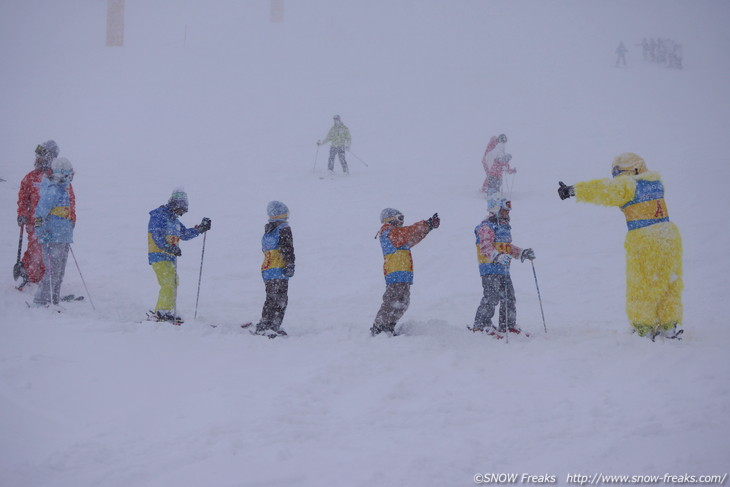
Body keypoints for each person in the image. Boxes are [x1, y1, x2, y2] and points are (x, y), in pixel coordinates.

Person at [558, 152, 683, 340]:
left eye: (619, 172)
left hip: (644, 239)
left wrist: (574, 190)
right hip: (668, 236)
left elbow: (604, 190)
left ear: (634, 169)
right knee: (668, 282)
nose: (617, 177)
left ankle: (643, 328)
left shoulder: (629, 184)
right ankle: (669, 326)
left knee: (641, 285)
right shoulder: (656, 183)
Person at [471, 196, 534, 336]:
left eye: (508, 211)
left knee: (509, 297)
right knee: (491, 297)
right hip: (489, 268)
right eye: (505, 210)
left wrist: (522, 253)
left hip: (504, 269)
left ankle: (508, 325)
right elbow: (485, 246)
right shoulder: (486, 227)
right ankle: (481, 325)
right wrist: (497, 256)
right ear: (496, 209)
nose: (508, 213)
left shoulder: (504, 228)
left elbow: (507, 247)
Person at [370, 208, 440, 336]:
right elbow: (407, 233)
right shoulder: (388, 231)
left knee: (403, 302)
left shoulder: (398, 234)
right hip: (395, 272)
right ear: (390, 219)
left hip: (403, 273)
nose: (402, 222)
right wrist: (425, 224)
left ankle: (389, 325)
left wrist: (428, 227)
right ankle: (379, 327)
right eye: (399, 218)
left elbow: (414, 236)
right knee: (392, 300)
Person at [147, 188, 211, 323]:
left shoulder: (174, 220)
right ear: (175, 204)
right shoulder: (159, 215)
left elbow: (185, 234)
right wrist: (169, 248)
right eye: (182, 208)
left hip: (170, 257)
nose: (183, 212)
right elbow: (156, 235)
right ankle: (161, 311)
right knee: (168, 283)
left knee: (174, 282)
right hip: (159, 255)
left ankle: (167, 310)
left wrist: (200, 228)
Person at [17, 140, 74, 288]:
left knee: (50, 254)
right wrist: (22, 213)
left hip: (55, 225)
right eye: (37, 155)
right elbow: (23, 198)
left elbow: (69, 200)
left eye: (41, 155)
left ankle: (45, 279)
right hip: (34, 221)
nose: (38, 159)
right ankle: (30, 275)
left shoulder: (58, 178)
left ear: (50, 158)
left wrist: (71, 218)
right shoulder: (30, 177)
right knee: (35, 249)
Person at [32, 157, 76, 307]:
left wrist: (69, 227)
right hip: (52, 238)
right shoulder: (53, 191)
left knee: (59, 273)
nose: (71, 178)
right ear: (61, 174)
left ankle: (54, 301)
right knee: (52, 272)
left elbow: (64, 214)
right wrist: (42, 233)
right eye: (69, 175)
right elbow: (39, 214)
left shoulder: (64, 191)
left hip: (63, 238)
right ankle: (40, 301)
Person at [254, 201, 295, 337]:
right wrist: (290, 264)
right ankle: (273, 325)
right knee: (281, 299)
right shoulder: (283, 228)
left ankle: (265, 323)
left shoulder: (267, 231)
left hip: (267, 269)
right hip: (279, 269)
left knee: (271, 298)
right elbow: (287, 248)